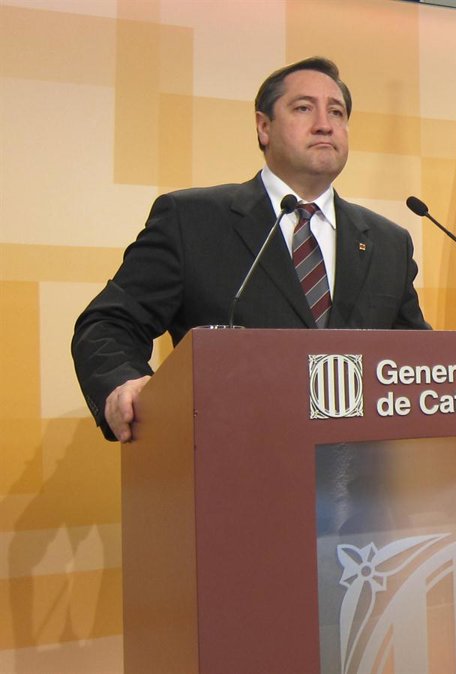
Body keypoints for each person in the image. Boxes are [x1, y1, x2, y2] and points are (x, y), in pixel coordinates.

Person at [72, 56, 430, 443]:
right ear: (263, 127)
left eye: (337, 112)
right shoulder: (192, 220)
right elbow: (109, 324)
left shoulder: (389, 242)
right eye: (303, 108)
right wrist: (122, 383)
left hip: (362, 465)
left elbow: (417, 360)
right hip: (234, 453)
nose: (324, 124)